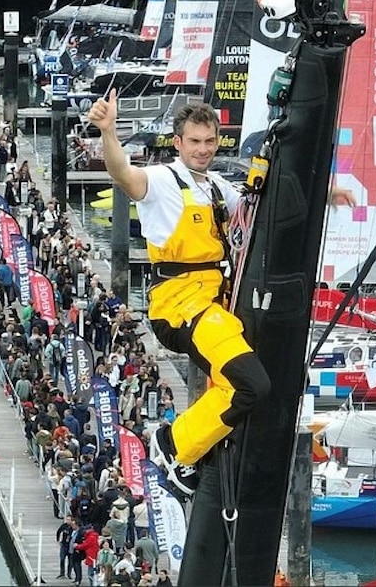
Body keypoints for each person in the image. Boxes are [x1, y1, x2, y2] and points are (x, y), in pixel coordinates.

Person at [87, 92, 353, 498]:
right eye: (195, 142)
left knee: (248, 382)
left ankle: (204, 442)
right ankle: (176, 445)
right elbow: (123, 174)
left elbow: (261, 206)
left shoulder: (216, 188)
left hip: (215, 303)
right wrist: (109, 133)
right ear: (177, 143)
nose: (203, 149)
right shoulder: (161, 180)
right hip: (181, 306)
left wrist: (324, 194)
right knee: (252, 386)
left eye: (210, 142)